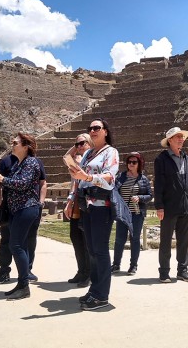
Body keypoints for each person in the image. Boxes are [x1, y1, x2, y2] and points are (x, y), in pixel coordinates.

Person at [69, 118, 119, 311]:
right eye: (90, 128)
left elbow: (110, 177)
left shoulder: (111, 152)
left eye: (97, 127)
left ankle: (102, 295)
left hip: (101, 206)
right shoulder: (89, 152)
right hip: (87, 206)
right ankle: (94, 288)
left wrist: (88, 177)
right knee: (91, 250)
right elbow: (79, 177)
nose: (93, 130)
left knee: (100, 250)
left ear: (105, 131)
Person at [0, 133, 41, 300]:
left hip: (26, 208)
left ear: (26, 146)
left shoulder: (31, 162)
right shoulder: (19, 163)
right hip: (18, 209)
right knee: (18, 246)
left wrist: (1, 178)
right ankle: (21, 283)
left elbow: (23, 184)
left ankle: (24, 285)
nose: (12, 144)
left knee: (16, 246)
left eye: (15, 142)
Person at [154, 127, 188, 283]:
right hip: (169, 206)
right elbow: (158, 184)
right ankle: (164, 271)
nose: (181, 139)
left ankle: (182, 270)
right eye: (177, 137)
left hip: (185, 206)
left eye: (182, 137)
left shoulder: (187, 158)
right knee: (166, 240)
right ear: (169, 140)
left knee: (184, 240)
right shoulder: (161, 159)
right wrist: (159, 205)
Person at [111, 152, 152, 275]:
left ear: (139, 164)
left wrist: (140, 198)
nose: (131, 164)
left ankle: (133, 266)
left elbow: (150, 195)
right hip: (123, 213)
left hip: (137, 213)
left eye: (134, 162)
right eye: (129, 162)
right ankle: (116, 264)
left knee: (134, 239)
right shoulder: (121, 176)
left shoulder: (143, 179)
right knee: (119, 239)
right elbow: (114, 191)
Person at [63, 133, 93, 288]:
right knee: (75, 237)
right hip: (75, 201)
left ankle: (89, 273)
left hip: (87, 202)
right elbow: (66, 156)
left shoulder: (91, 161)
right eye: (77, 144)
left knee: (86, 240)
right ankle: (81, 271)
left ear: (90, 143)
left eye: (83, 143)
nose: (80, 146)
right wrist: (69, 202)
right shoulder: (76, 160)